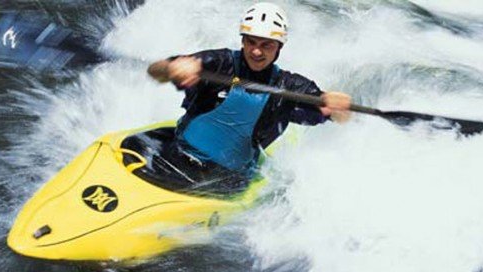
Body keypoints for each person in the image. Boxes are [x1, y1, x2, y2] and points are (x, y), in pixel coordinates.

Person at [146, 2, 351, 194]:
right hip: (177, 155)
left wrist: (336, 106)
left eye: (266, 45)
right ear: (242, 40)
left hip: (226, 181)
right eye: (250, 41)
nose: (256, 51)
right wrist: (174, 67)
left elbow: (337, 115)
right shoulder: (218, 63)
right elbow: (155, 71)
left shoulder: (290, 87)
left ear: (279, 47)